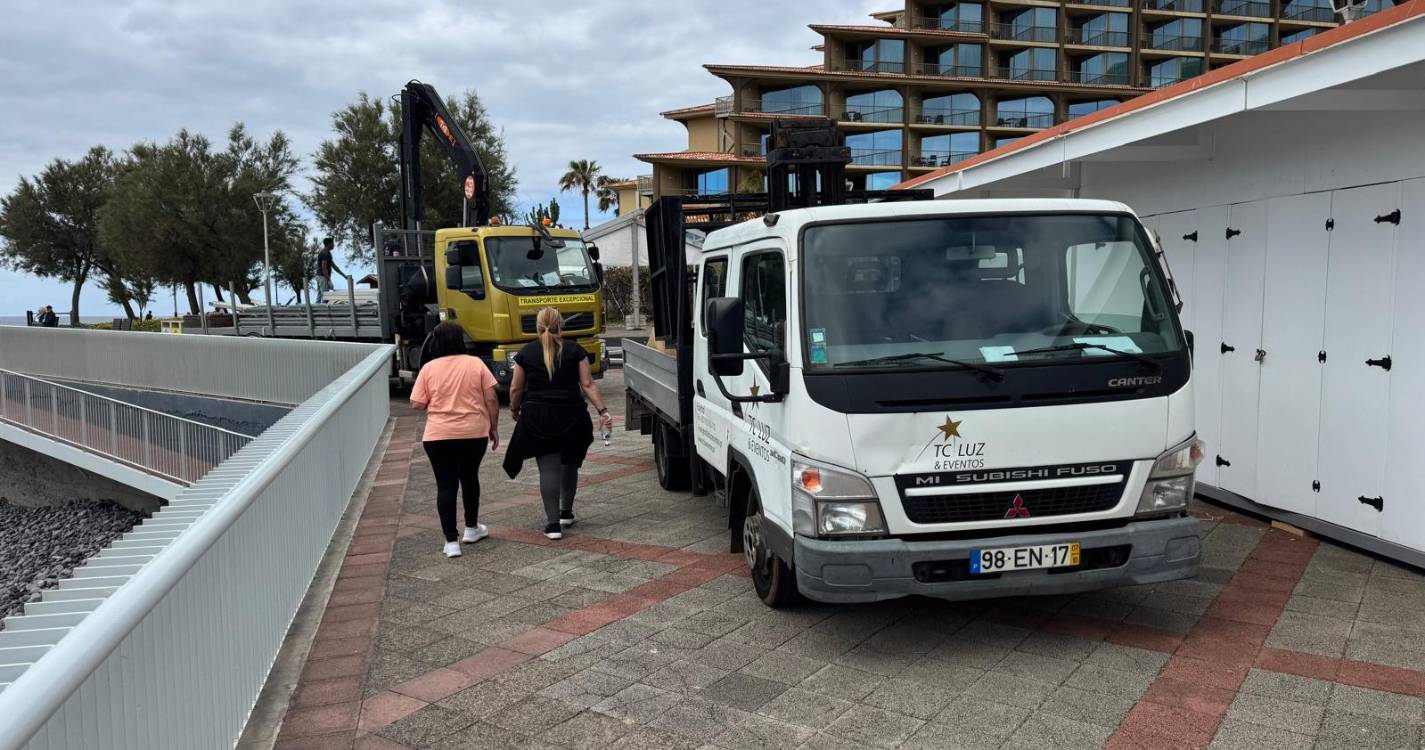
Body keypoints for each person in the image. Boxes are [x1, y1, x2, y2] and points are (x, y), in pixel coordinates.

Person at [504, 307, 615, 540]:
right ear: (561, 326)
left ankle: (553, 525)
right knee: (570, 463)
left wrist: (515, 409)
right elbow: (587, 385)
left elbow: (515, 387)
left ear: (537, 327)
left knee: (548, 467)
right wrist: (603, 410)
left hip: (538, 416)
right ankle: (566, 512)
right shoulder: (576, 350)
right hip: (571, 415)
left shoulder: (526, 352)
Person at [410, 321, 500, 558]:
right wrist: (494, 427)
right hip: (474, 432)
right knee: (470, 478)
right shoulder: (476, 364)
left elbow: (417, 403)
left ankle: (451, 542)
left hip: (438, 435)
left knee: (446, 485)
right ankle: (471, 528)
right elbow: (491, 398)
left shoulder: (429, 369)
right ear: (461, 340)